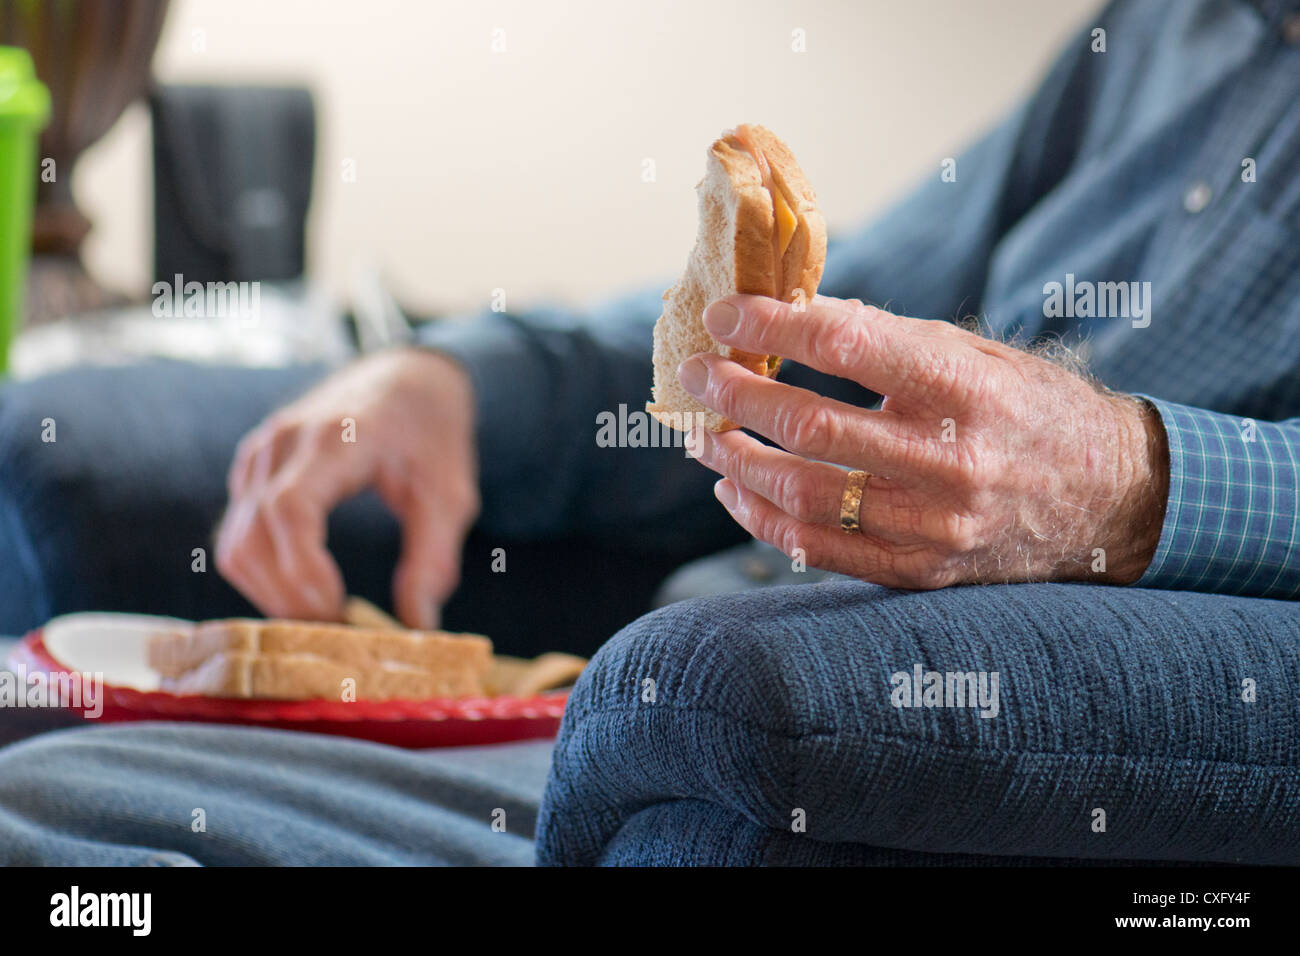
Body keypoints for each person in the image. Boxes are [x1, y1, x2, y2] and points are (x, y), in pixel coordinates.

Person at [0, 0, 1297, 865]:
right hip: (647, 706)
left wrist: (1133, 482)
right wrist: (458, 381)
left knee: (42, 818)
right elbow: (829, 324)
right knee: (31, 740)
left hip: (801, 728)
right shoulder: (1177, 30)